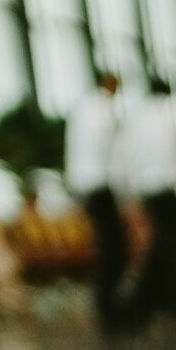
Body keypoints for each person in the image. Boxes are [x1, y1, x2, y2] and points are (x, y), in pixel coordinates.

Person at [121, 74, 176, 321]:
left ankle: (157, 297)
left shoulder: (139, 117)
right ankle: (175, 297)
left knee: (162, 241)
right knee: (173, 244)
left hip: (148, 186)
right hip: (171, 185)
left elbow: (130, 155)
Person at [64, 70, 128, 325]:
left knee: (107, 247)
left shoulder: (82, 110)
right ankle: (109, 306)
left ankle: (107, 304)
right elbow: (115, 154)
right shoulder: (105, 111)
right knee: (114, 249)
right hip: (102, 185)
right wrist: (125, 191)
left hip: (86, 185)